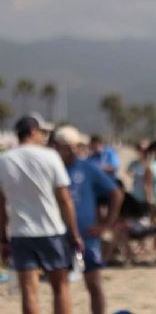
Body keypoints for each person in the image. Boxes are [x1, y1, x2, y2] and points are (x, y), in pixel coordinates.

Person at [0, 115, 84, 314]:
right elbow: (64, 199)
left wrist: (2, 238)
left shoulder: (4, 160)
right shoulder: (50, 156)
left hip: (21, 232)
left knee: (29, 291)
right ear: (33, 132)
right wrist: (74, 232)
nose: (43, 137)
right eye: (42, 133)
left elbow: (1, 204)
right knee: (61, 287)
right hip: (51, 230)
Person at [52, 125, 124, 314]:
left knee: (93, 284)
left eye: (76, 146)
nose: (73, 150)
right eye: (68, 146)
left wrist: (106, 224)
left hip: (87, 238)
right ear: (57, 146)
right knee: (61, 288)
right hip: (58, 237)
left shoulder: (88, 168)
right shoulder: (51, 168)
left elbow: (116, 193)